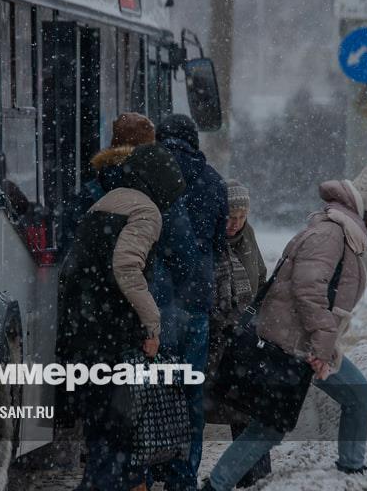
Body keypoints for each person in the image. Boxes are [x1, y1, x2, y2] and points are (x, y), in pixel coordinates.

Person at [202, 164, 367, 491]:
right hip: (292, 344)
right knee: (267, 429)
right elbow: (308, 289)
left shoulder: (343, 232)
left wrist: (323, 345)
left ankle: (351, 471)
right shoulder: (331, 233)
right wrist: (322, 345)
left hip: (309, 344)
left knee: (358, 397)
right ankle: (216, 486)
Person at [55, 144, 186, 491]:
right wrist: (151, 323)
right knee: (118, 434)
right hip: (111, 336)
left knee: (102, 431)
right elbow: (127, 267)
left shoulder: (107, 201)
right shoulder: (146, 212)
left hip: (83, 330)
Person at [155, 114, 229, 491]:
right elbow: (219, 247)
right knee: (189, 393)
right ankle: (183, 477)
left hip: (154, 302)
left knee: (153, 389)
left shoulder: (148, 174)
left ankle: (149, 469)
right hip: (196, 302)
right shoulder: (214, 182)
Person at [205, 179, 271, 488]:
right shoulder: (207, 241)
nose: (234, 224)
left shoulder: (249, 236)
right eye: (229, 216)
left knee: (249, 409)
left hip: (246, 336)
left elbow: (260, 274)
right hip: (216, 339)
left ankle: (254, 478)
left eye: (241, 217)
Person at [59, 112, 157, 254]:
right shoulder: (162, 188)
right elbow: (184, 255)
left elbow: (70, 251)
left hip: (100, 274)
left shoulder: (91, 192)